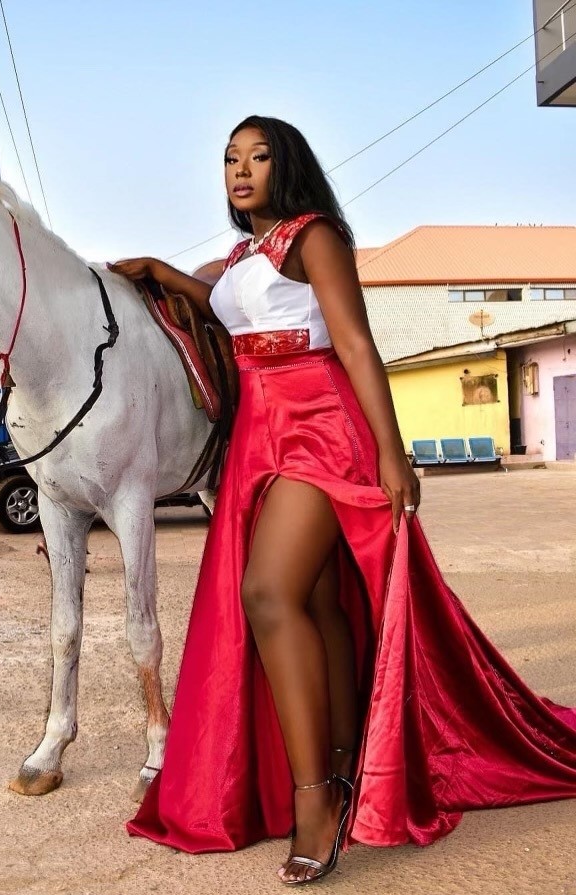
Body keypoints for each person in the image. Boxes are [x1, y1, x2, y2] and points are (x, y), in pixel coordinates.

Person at [108, 116, 576, 886]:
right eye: (230, 158)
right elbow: (232, 310)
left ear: (286, 166)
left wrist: (394, 452)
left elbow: (354, 342)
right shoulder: (243, 256)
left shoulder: (313, 234)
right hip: (262, 430)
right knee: (321, 604)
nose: (240, 169)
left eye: (258, 156)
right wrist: (162, 271)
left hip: (322, 427)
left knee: (268, 592)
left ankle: (316, 802)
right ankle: (343, 759)